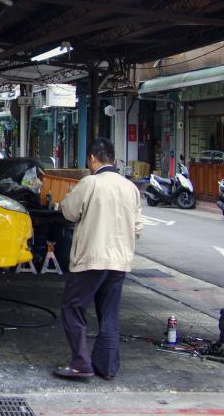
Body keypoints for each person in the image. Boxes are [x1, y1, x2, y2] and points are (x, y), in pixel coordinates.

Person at [54, 137, 143, 381]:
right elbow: (137, 228)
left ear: (93, 158)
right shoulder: (130, 188)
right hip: (119, 261)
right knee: (109, 314)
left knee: (73, 307)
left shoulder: (90, 183)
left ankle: (81, 362)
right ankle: (107, 367)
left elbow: (70, 212)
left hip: (91, 259)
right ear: (113, 159)